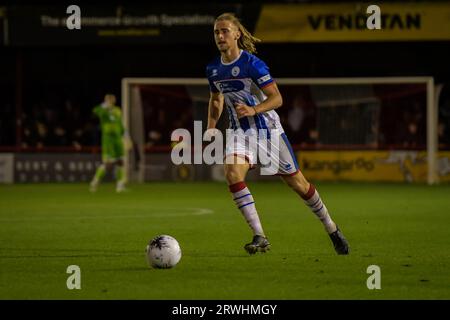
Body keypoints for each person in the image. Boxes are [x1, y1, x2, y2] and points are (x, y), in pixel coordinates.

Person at [206, 13, 349, 255]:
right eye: (216, 32)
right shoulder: (213, 69)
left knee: (299, 184)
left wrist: (253, 108)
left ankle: (331, 227)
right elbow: (216, 99)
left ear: (237, 34)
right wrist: (211, 126)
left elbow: (277, 98)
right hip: (240, 132)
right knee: (232, 173)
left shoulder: (253, 65)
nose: (220, 36)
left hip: (268, 132)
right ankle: (260, 235)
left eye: (225, 31)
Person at [90, 94, 127, 193]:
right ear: (105, 100)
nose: (111, 100)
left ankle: (119, 186)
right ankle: (95, 181)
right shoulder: (103, 111)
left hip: (118, 139)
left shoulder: (117, 110)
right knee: (108, 164)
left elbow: (120, 124)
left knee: (121, 161)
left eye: (112, 99)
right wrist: (104, 105)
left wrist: (125, 136)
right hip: (108, 140)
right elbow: (95, 111)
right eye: (108, 99)